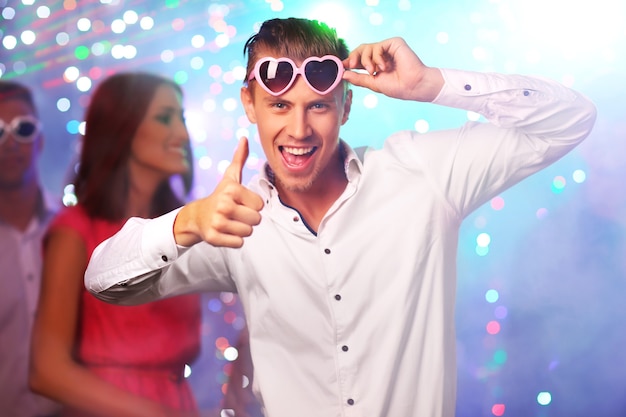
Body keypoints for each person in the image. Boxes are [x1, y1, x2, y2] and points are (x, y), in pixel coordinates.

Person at [83, 17, 597, 417]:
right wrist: (186, 224)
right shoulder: (229, 220)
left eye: (319, 106)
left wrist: (429, 84)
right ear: (250, 104)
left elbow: (571, 119)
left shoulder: (421, 175)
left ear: (346, 105)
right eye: (279, 106)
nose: (299, 129)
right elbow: (103, 281)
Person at [29, 72, 202, 417]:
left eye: (181, 118)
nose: (182, 134)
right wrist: (156, 413)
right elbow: (46, 370)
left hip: (179, 402)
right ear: (122, 126)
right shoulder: (75, 231)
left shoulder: (178, 228)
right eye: (164, 118)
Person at [0, 80, 62, 417]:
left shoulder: (72, 229)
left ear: (40, 140)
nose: (10, 143)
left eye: (22, 128)